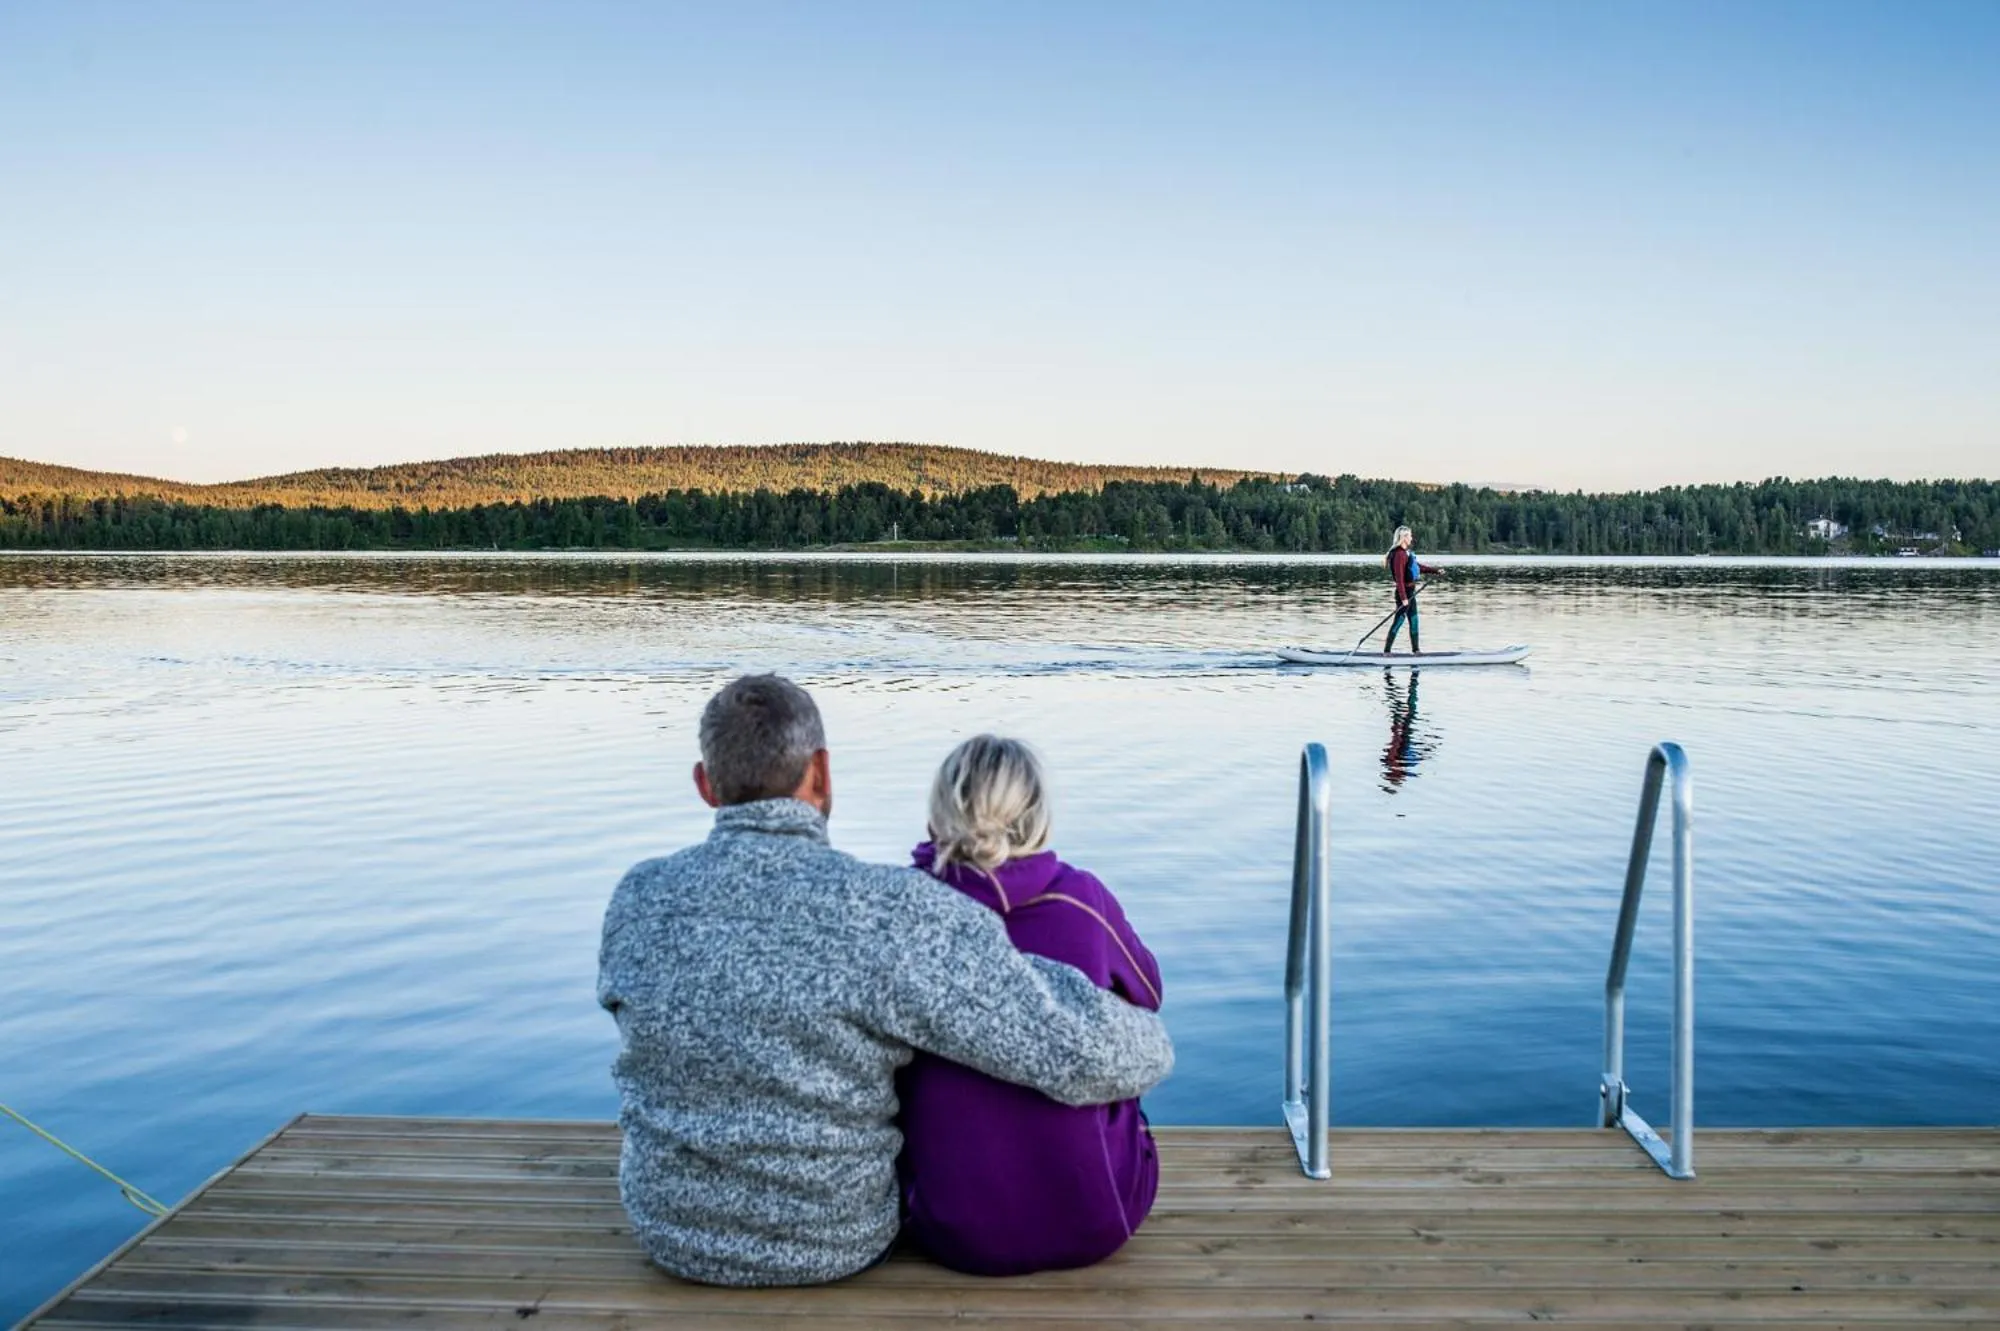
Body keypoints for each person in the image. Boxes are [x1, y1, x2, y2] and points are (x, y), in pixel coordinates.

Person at [598, 675, 1174, 1288]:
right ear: (821, 773)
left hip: (672, 1233)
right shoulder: (885, 911)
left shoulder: (637, 898)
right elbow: (1072, 1052)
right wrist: (1152, 1040)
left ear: (705, 784)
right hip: (832, 1241)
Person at [899, 735, 1164, 1276]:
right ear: (1038, 818)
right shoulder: (1082, 898)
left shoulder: (902, 906)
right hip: (1098, 1219)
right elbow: (1149, 993)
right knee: (1119, 1034)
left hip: (950, 1230)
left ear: (938, 814)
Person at [1383, 525, 1441, 653]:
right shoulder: (1399, 554)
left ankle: (1416, 651)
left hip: (1410, 593)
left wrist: (1435, 571)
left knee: (1414, 621)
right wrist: (1403, 598)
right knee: (1399, 621)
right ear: (1404, 537)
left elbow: (1418, 567)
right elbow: (1399, 579)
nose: (1411, 538)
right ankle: (1386, 651)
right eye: (1409, 535)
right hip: (1403, 594)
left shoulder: (1406, 553)